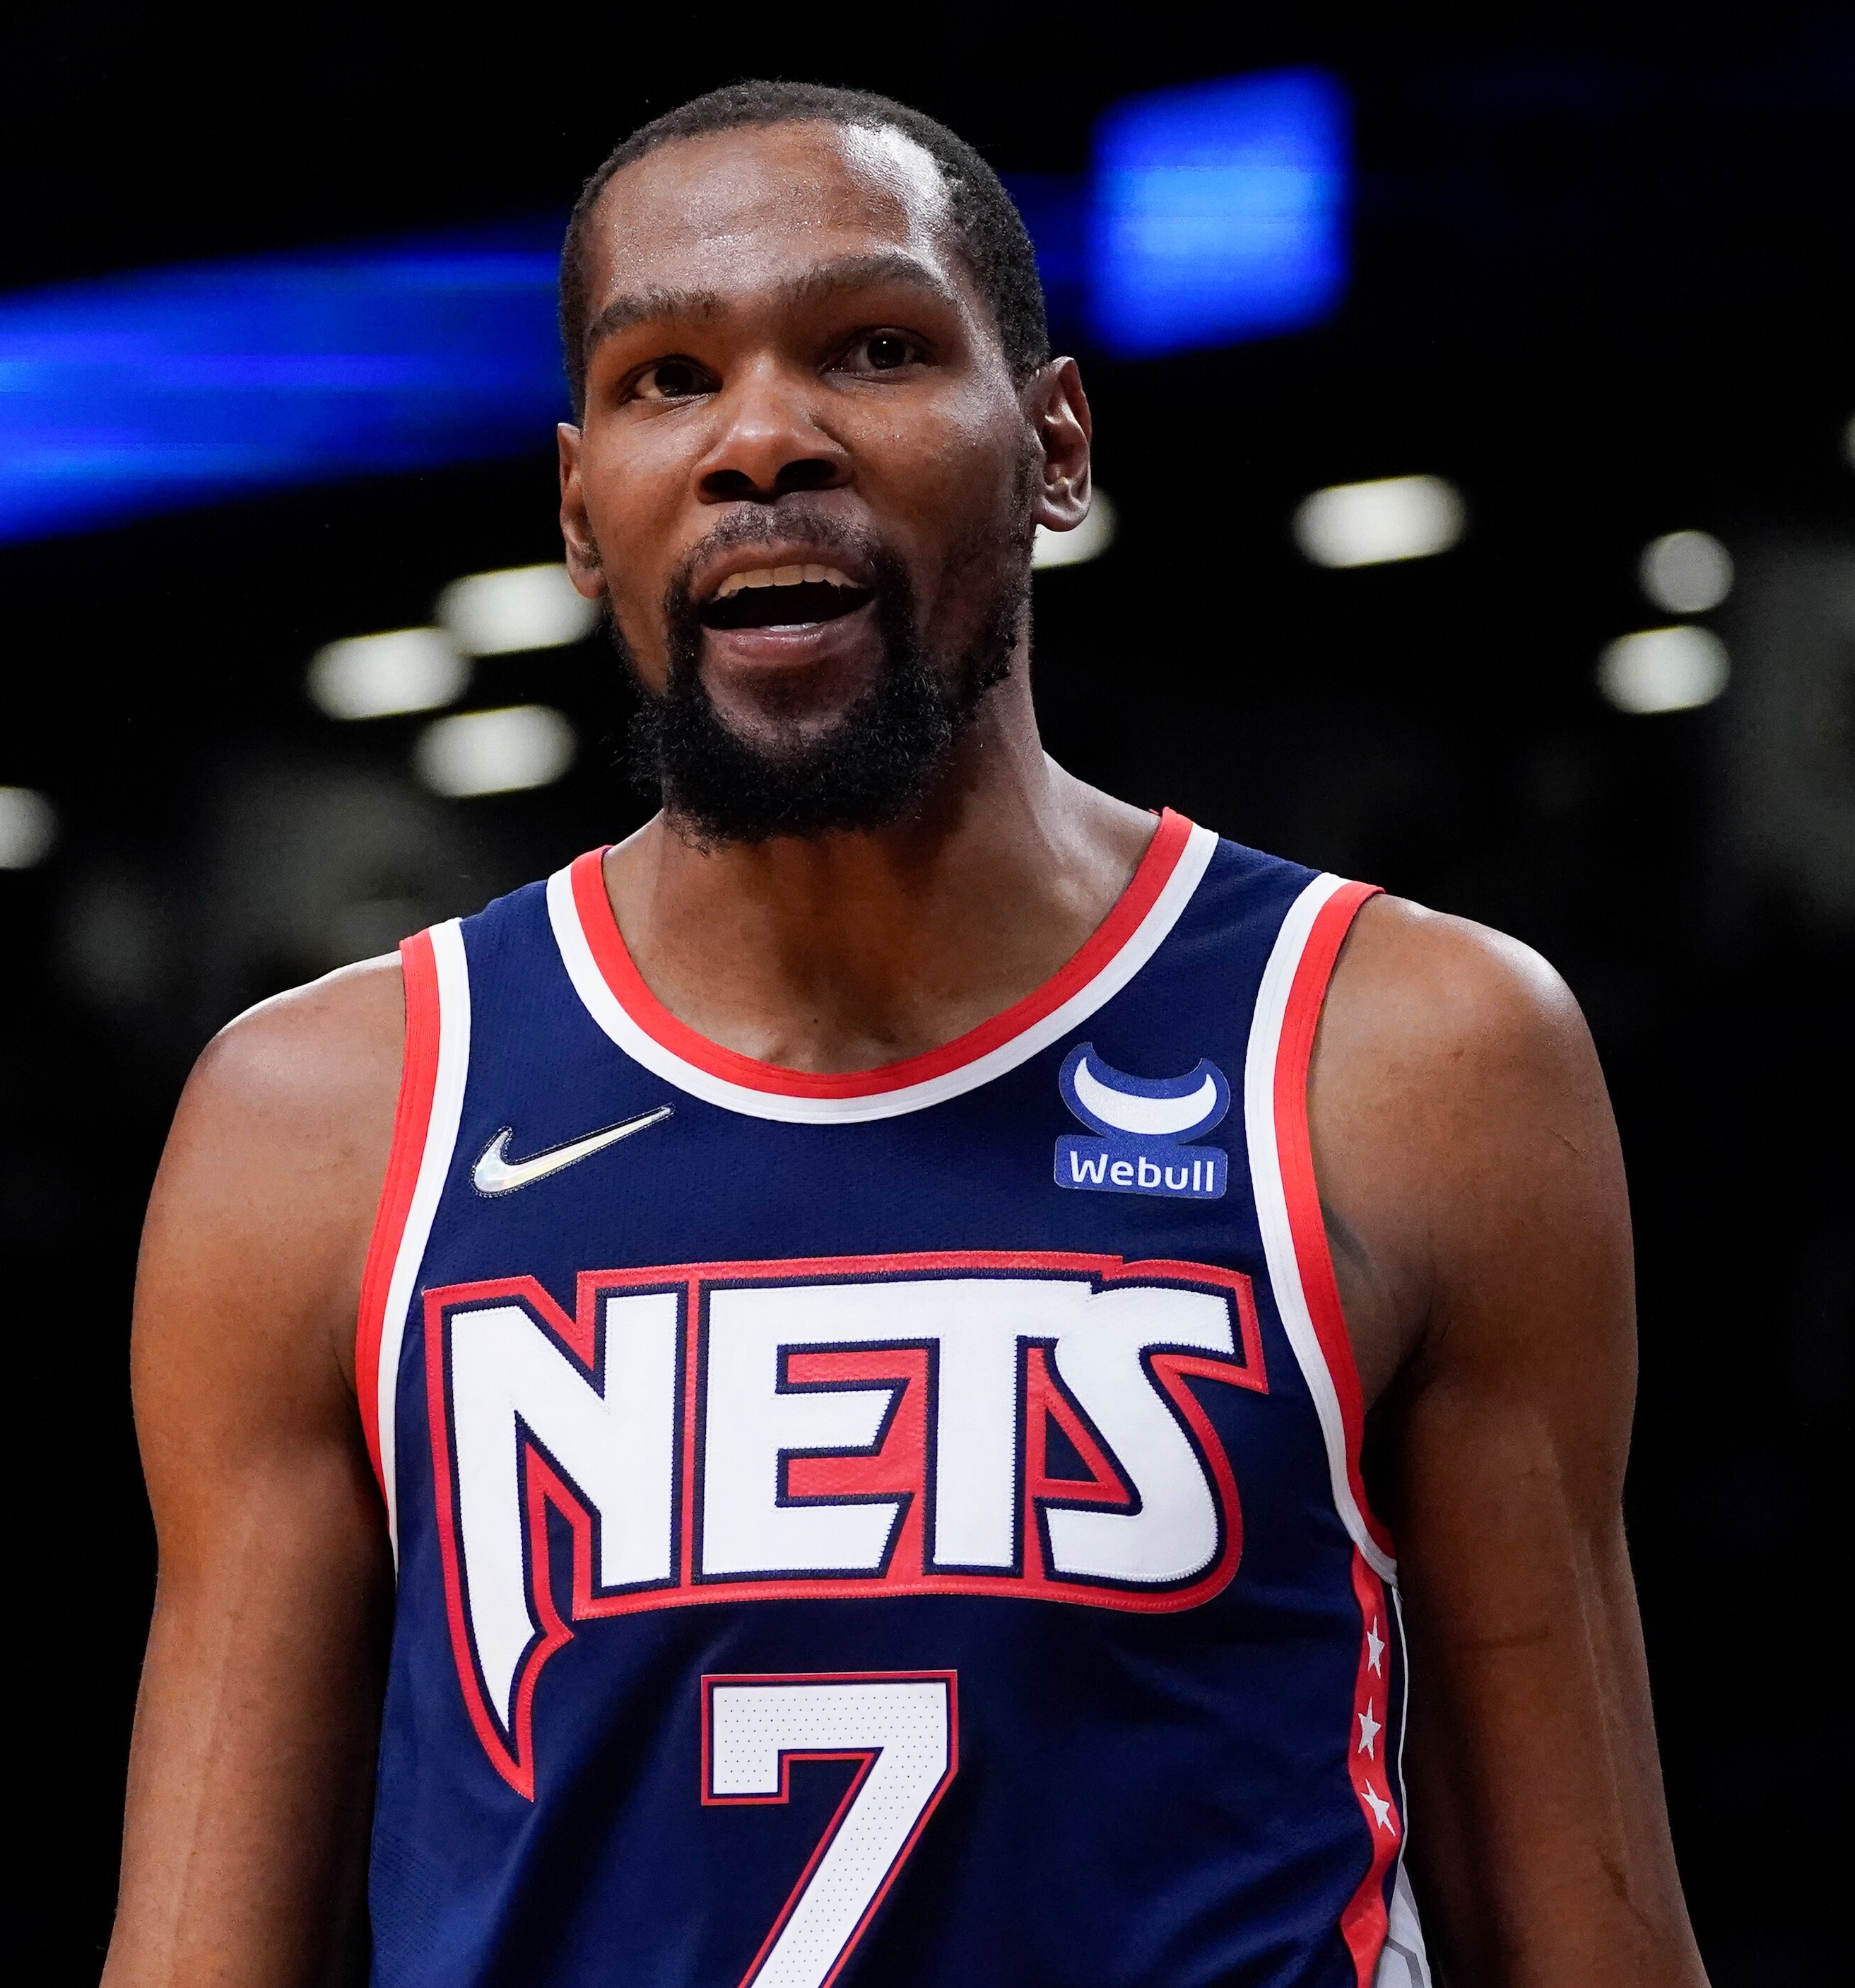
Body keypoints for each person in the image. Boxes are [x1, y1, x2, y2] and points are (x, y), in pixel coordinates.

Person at [101, 80, 1705, 1988]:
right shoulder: (329, 1116)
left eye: (872, 348)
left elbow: (1596, 1940)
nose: (763, 437)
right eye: (667, 378)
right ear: (576, 509)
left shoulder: (1411, 1051)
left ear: (1053, 443)